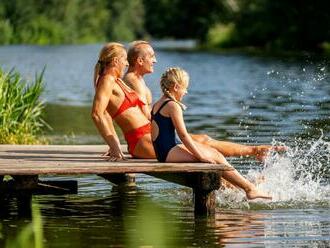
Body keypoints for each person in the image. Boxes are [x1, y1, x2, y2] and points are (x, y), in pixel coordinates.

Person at [123, 40, 286, 161]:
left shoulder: (136, 79)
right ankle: (244, 172)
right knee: (203, 149)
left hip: (145, 138)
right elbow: (145, 116)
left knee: (204, 140)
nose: (155, 60)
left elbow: (125, 113)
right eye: (151, 56)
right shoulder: (134, 81)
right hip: (145, 141)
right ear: (139, 61)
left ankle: (253, 151)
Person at [151, 67, 271, 200]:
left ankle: (240, 187)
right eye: (185, 88)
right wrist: (200, 156)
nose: (186, 92)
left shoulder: (159, 103)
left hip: (164, 151)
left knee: (214, 153)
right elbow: (183, 135)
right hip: (169, 152)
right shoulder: (173, 106)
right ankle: (249, 189)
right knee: (216, 157)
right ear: (176, 86)